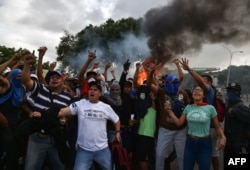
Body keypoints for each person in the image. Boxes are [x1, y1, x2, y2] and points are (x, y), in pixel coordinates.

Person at [21, 50, 72, 170]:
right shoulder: (41, 89)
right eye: (52, 77)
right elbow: (26, 81)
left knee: (61, 166)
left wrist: (65, 120)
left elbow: (70, 115)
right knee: (31, 167)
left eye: (57, 78)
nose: (54, 79)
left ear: (63, 80)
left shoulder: (67, 97)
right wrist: (27, 65)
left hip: (56, 138)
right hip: (37, 138)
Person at [58, 80, 121, 170]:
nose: (92, 91)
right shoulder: (80, 104)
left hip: (102, 150)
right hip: (84, 151)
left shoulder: (106, 107)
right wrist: (45, 113)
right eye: (90, 89)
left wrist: (118, 131)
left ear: (100, 93)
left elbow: (116, 119)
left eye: (95, 90)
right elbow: (63, 111)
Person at [166, 85, 226, 170]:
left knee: (204, 168)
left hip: (205, 143)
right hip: (190, 143)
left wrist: (223, 137)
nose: (196, 91)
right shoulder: (188, 107)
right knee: (187, 168)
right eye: (194, 90)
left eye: (199, 90)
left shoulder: (210, 108)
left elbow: (217, 126)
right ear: (192, 94)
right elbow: (179, 123)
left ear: (203, 95)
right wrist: (170, 112)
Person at [180, 58, 221, 170]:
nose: (201, 84)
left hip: (209, 130)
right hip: (193, 137)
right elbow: (180, 122)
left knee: (211, 156)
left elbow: (218, 126)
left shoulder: (210, 91)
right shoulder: (190, 106)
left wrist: (189, 69)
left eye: (204, 82)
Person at [147, 59, 186, 170]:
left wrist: (178, 65)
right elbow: (149, 84)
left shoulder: (182, 94)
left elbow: (182, 77)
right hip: (165, 129)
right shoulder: (162, 92)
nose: (170, 85)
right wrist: (151, 72)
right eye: (168, 83)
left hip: (180, 130)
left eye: (173, 83)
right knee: (159, 155)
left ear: (177, 83)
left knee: (181, 156)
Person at [224, 82, 250, 154]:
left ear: (238, 93)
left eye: (233, 91)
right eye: (229, 91)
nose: (230, 93)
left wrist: (234, 112)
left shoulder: (241, 106)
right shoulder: (228, 106)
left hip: (238, 144)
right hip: (228, 142)